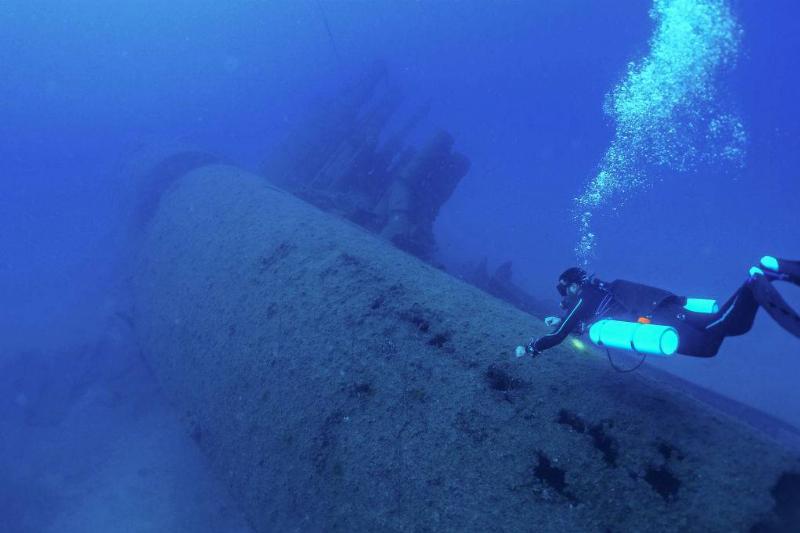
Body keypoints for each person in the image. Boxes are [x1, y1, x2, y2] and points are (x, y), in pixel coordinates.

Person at [525, 256, 800, 358]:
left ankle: (754, 282)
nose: (566, 296)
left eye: (564, 290)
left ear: (572, 285)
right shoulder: (598, 292)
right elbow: (578, 324)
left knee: (722, 329)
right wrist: (561, 320)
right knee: (714, 341)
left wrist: (533, 347)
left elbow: (563, 332)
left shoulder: (585, 296)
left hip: (663, 319)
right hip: (666, 312)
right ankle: (762, 278)